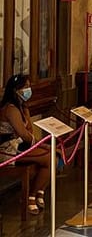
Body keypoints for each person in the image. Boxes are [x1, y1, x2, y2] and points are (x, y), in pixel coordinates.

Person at [0, 75, 51, 214]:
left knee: (54, 154)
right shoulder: (10, 109)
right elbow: (23, 134)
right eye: (25, 87)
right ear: (16, 90)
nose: (29, 90)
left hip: (20, 145)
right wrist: (41, 145)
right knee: (48, 157)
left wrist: (39, 144)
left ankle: (39, 192)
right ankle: (31, 197)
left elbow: (29, 132)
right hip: (8, 149)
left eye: (29, 86)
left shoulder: (23, 108)